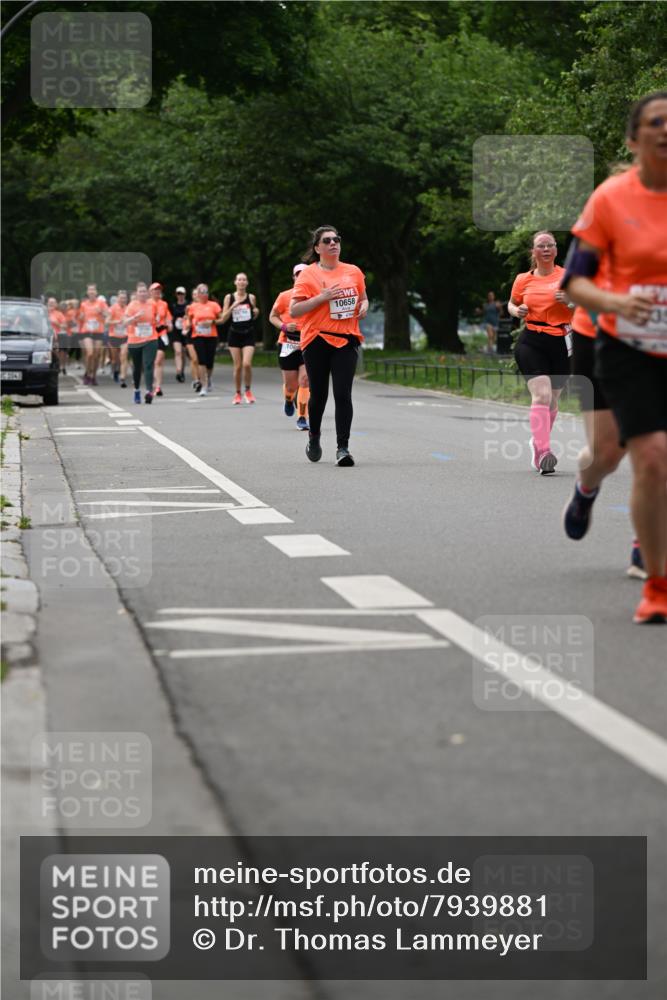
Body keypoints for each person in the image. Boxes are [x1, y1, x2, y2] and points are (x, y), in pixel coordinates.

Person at [562, 90, 667, 623]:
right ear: (634, 138)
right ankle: (586, 488)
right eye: (657, 122)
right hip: (614, 338)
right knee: (613, 452)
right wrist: (617, 302)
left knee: (656, 455)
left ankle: (651, 563)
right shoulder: (611, 199)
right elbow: (573, 281)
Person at [290, 225, 368, 466]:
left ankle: (343, 448)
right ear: (317, 248)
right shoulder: (308, 275)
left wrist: (364, 306)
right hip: (317, 339)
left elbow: (363, 297)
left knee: (343, 394)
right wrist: (321, 298)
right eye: (327, 240)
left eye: (337, 239)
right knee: (320, 395)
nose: (333, 243)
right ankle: (314, 437)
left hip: (346, 338)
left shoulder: (353, 271)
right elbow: (294, 309)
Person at [507, 232, 575, 474]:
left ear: (556, 250)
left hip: (561, 342)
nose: (546, 249)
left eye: (550, 245)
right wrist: (517, 311)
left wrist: (570, 301)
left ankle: (537, 443)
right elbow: (511, 303)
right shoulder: (523, 279)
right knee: (542, 395)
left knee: (553, 399)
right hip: (532, 340)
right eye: (540, 246)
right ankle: (544, 451)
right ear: (533, 252)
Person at [269, 263, 310, 430]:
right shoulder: (285, 296)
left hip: (308, 342)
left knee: (305, 380)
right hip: (287, 343)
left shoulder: (314, 297)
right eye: (297, 274)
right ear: (294, 277)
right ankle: (288, 399)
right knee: (291, 385)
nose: (301, 277)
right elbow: (272, 316)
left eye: (304, 274)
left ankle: (302, 417)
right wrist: (284, 326)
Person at [221, 272, 259, 404]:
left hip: (248, 333)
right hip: (234, 334)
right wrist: (233, 306)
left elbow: (253, 314)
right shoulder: (229, 297)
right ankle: (237, 393)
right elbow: (223, 318)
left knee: (247, 364)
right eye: (239, 280)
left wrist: (256, 312)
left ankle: (248, 391)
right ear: (235, 282)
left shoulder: (251, 297)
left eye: (244, 280)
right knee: (237, 366)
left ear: (247, 283)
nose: (241, 282)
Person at [123, 282, 159, 404]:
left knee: (148, 364)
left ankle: (149, 391)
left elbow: (156, 319)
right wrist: (134, 318)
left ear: (147, 293)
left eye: (144, 291)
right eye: (140, 291)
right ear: (137, 293)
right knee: (137, 367)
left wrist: (158, 321)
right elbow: (124, 322)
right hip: (135, 341)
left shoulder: (152, 304)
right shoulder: (132, 305)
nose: (143, 293)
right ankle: (137, 390)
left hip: (151, 338)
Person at [188, 283, 223, 397]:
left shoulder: (214, 305)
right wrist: (189, 325)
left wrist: (211, 322)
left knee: (210, 362)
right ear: (197, 294)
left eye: (205, 292)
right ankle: (204, 385)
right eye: (201, 292)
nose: (203, 294)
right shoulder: (193, 306)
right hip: (198, 336)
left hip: (211, 335)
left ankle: (209, 378)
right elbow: (189, 320)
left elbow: (221, 319)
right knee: (201, 361)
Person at [77, 283, 109, 386]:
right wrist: (81, 317)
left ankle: (93, 376)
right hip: (87, 331)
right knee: (90, 353)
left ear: (96, 292)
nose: (91, 292)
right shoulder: (84, 304)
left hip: (98, 331)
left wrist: (102, 312)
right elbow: (80, 318)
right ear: (87, 292)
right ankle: (87, 372)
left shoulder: (101, 303)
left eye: (93, 290)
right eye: (90, 290)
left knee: (97, 355)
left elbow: (108, 315)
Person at [149, 282, 173, 397]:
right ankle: (152, 383)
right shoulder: (147, 304)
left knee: (158, 361)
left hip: (161, 334)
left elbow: (168, 317)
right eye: (155, 290)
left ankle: (158, 386)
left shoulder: (164, 304)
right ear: (150, 292)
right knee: (151, 362)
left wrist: (169, 324)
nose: (157, 292)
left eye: (159, 290)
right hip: (149, 335)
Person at [108, 290, 129, 387]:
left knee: (123, 356)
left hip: (125, 336)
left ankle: (123, 378)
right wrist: (116, 322)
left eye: (124, 298)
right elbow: (106, 322)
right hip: (114, 336)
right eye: (121, 298)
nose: (123, 300)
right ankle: (115, 370)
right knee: (115, 359)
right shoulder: (112, 309)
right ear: (117, 298)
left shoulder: (129, 308)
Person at [169, 286, 188, 383]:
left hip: (185, 331)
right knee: (178, 352)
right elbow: (169, 317)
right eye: (178, 294)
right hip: (176, 331)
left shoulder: (188, 305)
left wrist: (185, 318)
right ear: (176, 295)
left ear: (185, 294)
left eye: (182, 294)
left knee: (183, 353)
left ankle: (182, 371)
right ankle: (178, 372)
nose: (180, 296)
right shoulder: (173, 306)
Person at [47, 297, 67, 373]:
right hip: (46, 335)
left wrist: (57, 323)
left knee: (58, 351)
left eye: (53, 302)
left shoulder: (59, 314)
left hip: (57, 335)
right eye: (50, 302)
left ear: (56, 304)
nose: (51, 304)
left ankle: (60, 365)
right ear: (47, 303)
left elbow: (65, 326)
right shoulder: (43, 312)